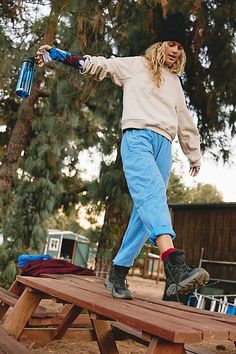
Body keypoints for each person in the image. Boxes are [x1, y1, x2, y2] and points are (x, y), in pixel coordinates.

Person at [36, 12, 209, 301]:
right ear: (159, 45)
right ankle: (174, 263)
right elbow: (98, 64)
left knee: (144, 214)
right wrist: (57, 54)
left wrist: (193, 154)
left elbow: (184, 119)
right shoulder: (135, 66)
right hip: (137, 138)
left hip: (164, 146)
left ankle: (117, 271)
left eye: (180, 47)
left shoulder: (174, 83)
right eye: (171, 43)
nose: (175, 50)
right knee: (153, 197)